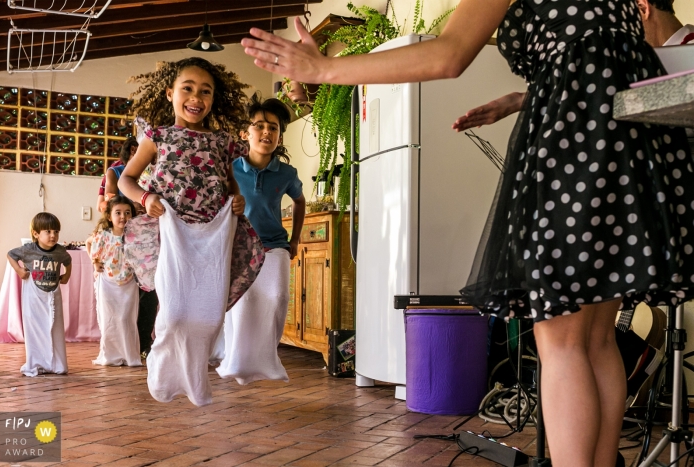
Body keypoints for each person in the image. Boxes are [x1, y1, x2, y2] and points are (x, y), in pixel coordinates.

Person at [241, 1, 694, 466]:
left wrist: (322, 67)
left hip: (573, 142)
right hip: (628, 141)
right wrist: (526, 98)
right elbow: (599, 58)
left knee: (561, 341)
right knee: (596, 338)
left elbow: (448, 54)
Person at [118, 57, 265, 407]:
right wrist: (145, 195)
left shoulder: (222, 142)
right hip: (172, 232)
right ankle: (162, 364)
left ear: (213, 99)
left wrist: (238, 201)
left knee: (210, 315)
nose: (196, 97)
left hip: (214, 235)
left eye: (205, 91)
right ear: (170, 93)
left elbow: (232, 187)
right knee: (176, 312)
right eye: (187, 88)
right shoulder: (158, 136)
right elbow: (125, 178)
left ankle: (195, 376)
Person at [454, 0, 692, 133]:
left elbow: (618, 100)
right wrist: (522, 100)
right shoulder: (635, 64)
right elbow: (603, 97)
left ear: (641, 8)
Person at [212, 94, 305, 384]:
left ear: (279, 136)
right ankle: (235, 360)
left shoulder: (287, 173)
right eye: (260, 125)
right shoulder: (229, 167)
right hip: (238, 246)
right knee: (241, 302)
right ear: (245, 133)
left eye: (274, 128)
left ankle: (266, 358)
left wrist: (296, 239)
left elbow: (300, 202)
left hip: (275, 244)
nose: (267, 132)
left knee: (276, 297)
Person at [7, 213, 71, 377]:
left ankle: (57, 363)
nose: (53, 235)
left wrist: (66, 275)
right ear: (36, 233)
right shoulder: (28, 250)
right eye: (48, 231)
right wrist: (19, 270)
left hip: (52, 294)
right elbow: (11, 255)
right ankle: (36, 362)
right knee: (35, 327)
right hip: (34, 295)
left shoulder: (60, 251)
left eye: (56, 231)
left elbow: (67, 261)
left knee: (54, 327)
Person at [87, 195, 142, 367]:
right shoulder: (103, 235)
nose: (123, 217)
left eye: (127, 213)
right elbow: (90, 245)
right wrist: (94, 262)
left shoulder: (135, 236)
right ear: (109, 216)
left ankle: (129, 355)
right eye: (118, 212)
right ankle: (110, 355)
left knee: (126, 319)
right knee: (109, 319)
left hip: (128, 283)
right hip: (108, 283)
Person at [97, 137, 138, 213]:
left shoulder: (152, 172)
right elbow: (108, 207)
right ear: (133, 149)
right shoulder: (114, 172)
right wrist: (134, 206)